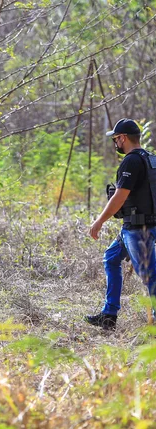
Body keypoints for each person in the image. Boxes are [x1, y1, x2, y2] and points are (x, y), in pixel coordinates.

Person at [86, 118, 156, 330]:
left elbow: (120, 196)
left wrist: (99, 221)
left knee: (149, 277)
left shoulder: (131, 161)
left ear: (123, 138)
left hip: (138, 229)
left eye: (116, 139)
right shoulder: (151, 159)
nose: (115, 143)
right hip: (138, 226)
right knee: (111, 258)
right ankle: (109, 315)